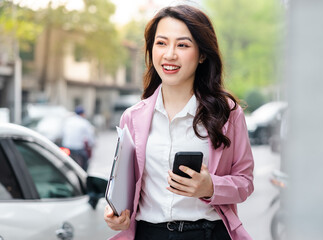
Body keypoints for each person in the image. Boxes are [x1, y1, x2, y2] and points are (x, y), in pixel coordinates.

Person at [104, 4, 254, 240]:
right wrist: (116, 213)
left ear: (202, 54)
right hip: (149, 234)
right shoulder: (132, 117)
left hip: (208, 234)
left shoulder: (227, 113)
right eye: (161, 43)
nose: (170, 54)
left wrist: (211, 187)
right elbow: (126, 187)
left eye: (182, 45)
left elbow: (245, 182)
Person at [62, 105, 95, 171]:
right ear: (83, 114)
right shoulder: (84, 122)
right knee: (85, 161)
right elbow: (90, 136)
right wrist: (92, 144)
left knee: (64, 161)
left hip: (66, 146)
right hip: (78, 148)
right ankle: (84, 176)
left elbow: (62, 133)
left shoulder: (68, 121)